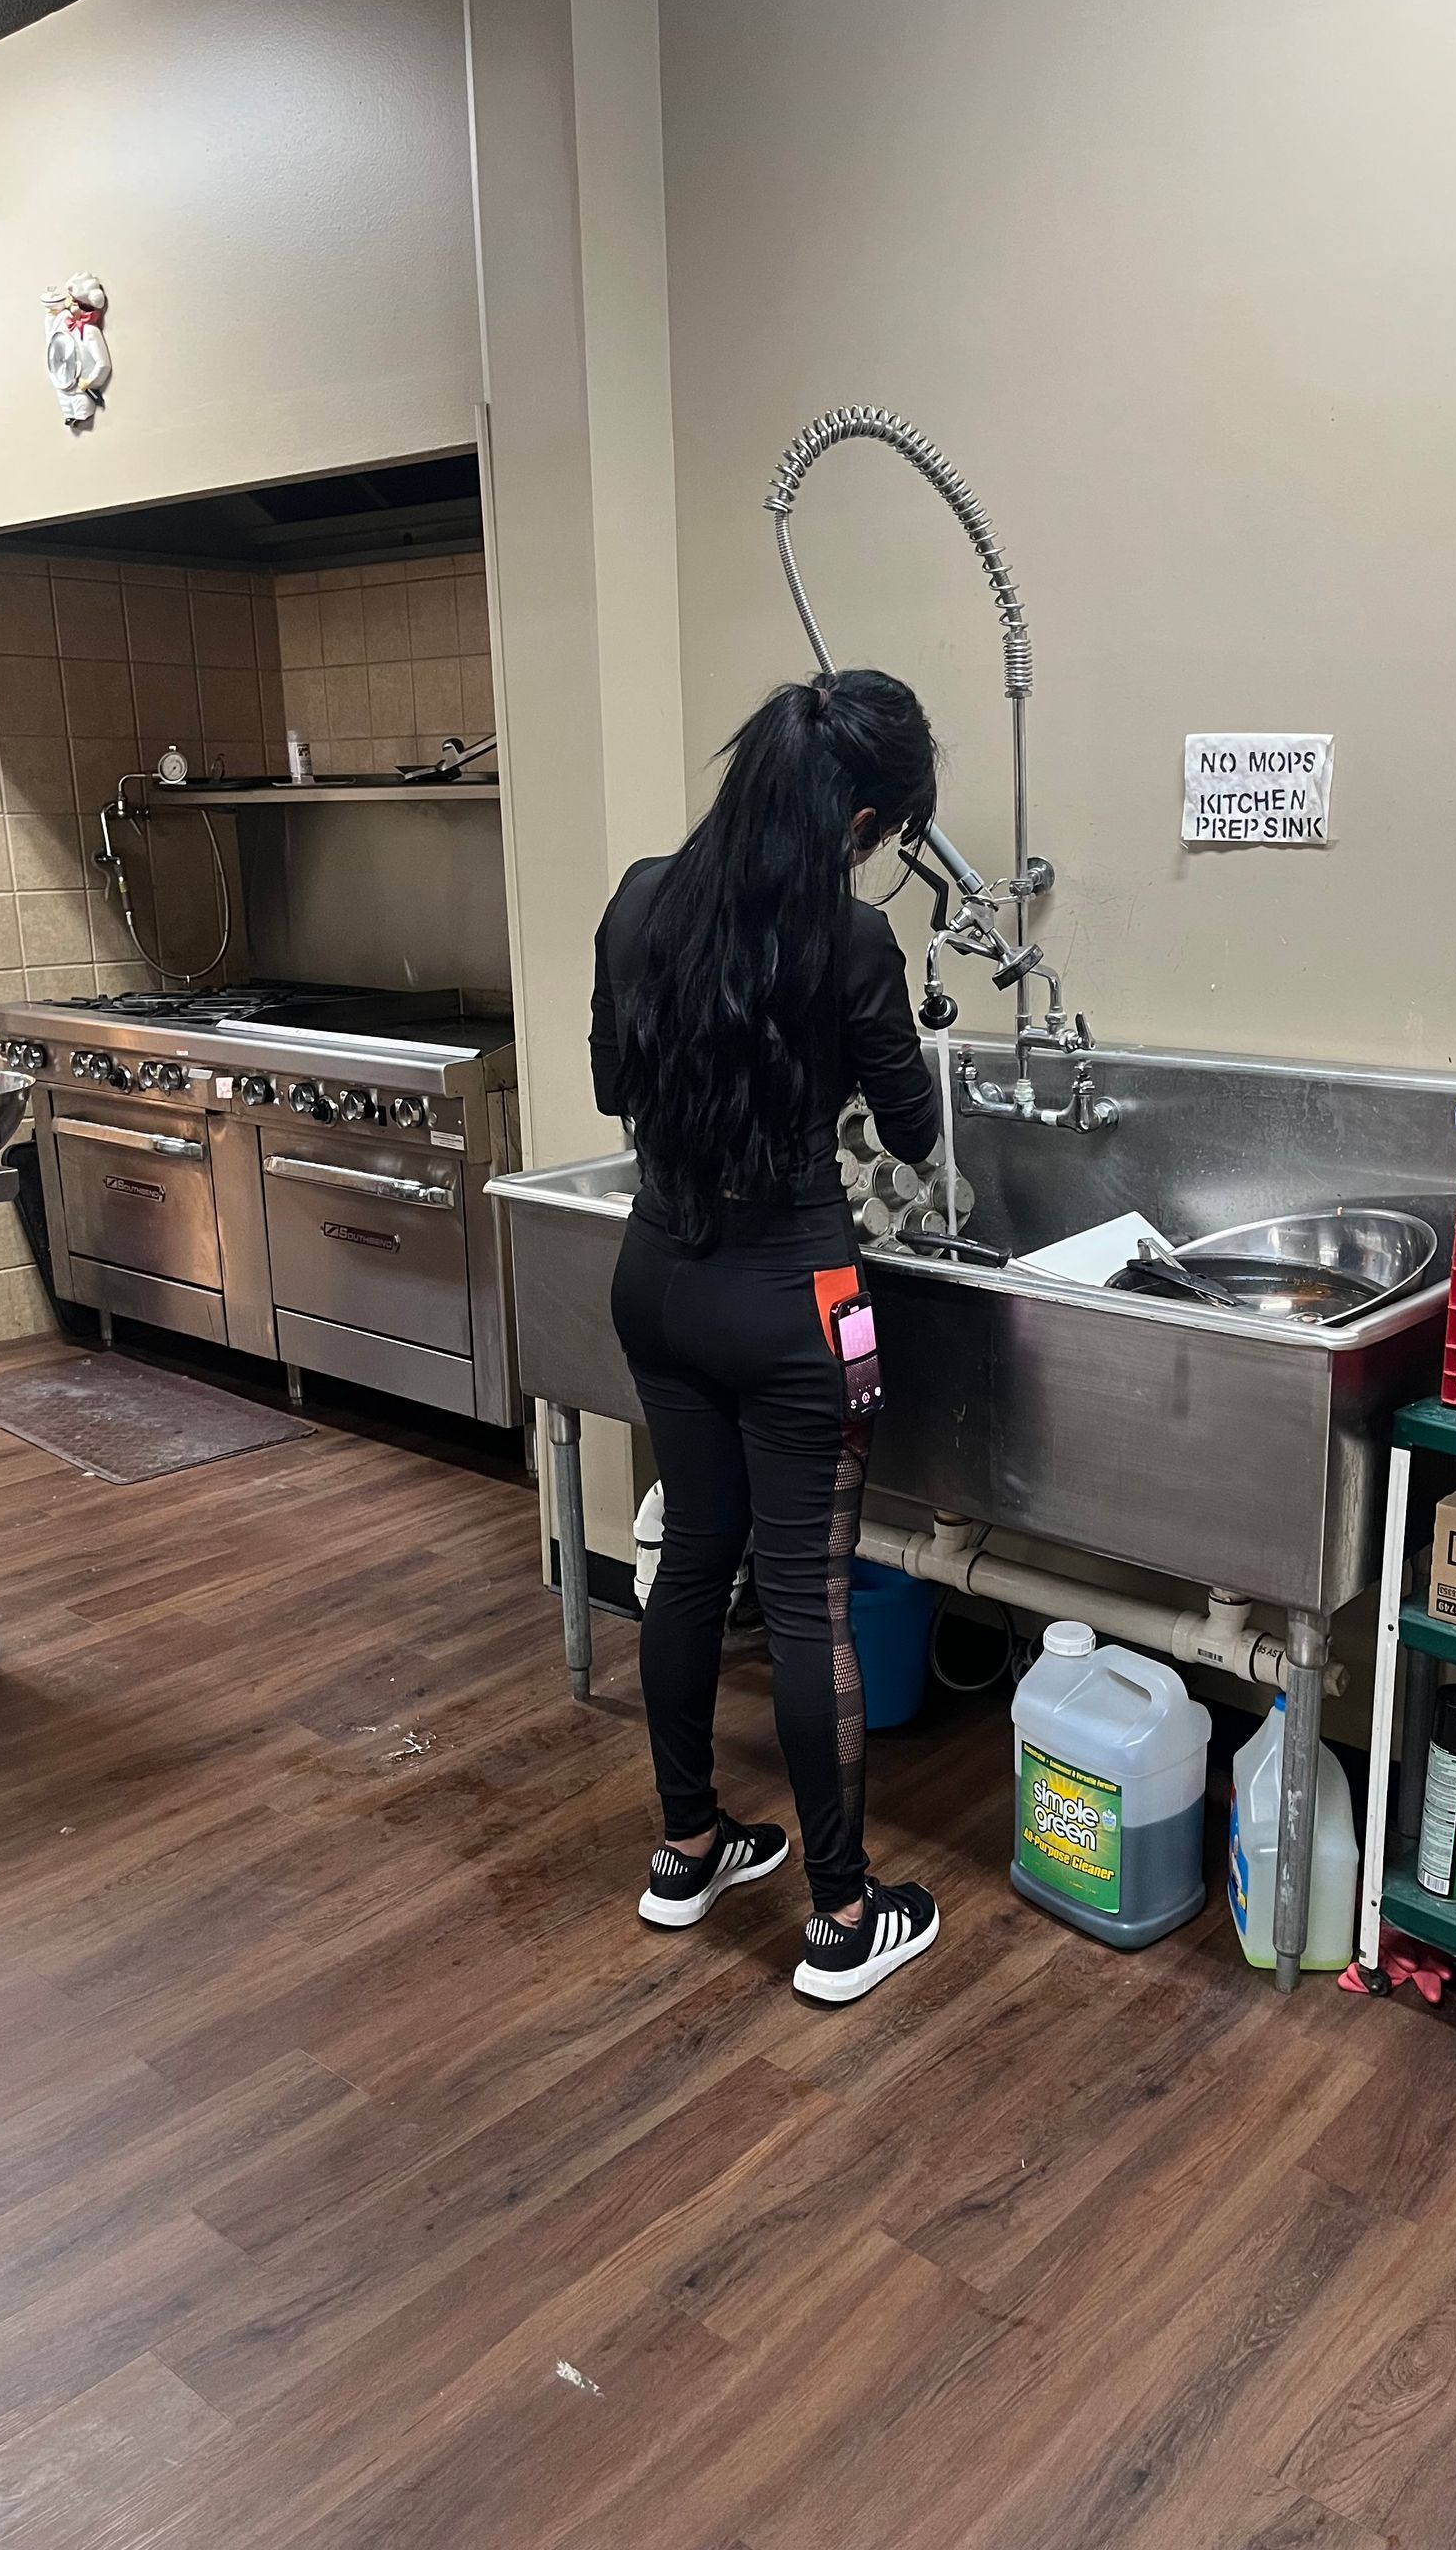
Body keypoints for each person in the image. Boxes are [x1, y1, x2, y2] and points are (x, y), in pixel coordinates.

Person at [591, 668, 944, 2004]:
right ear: (857, 816)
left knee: (690, 1565)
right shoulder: (849, 945)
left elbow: (614, 1079)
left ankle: (691, 1849)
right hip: (801, 1302)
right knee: (807, 1603)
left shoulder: (638, 898)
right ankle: (845, 1919)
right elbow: (910, 1129)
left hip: (660, 1279)